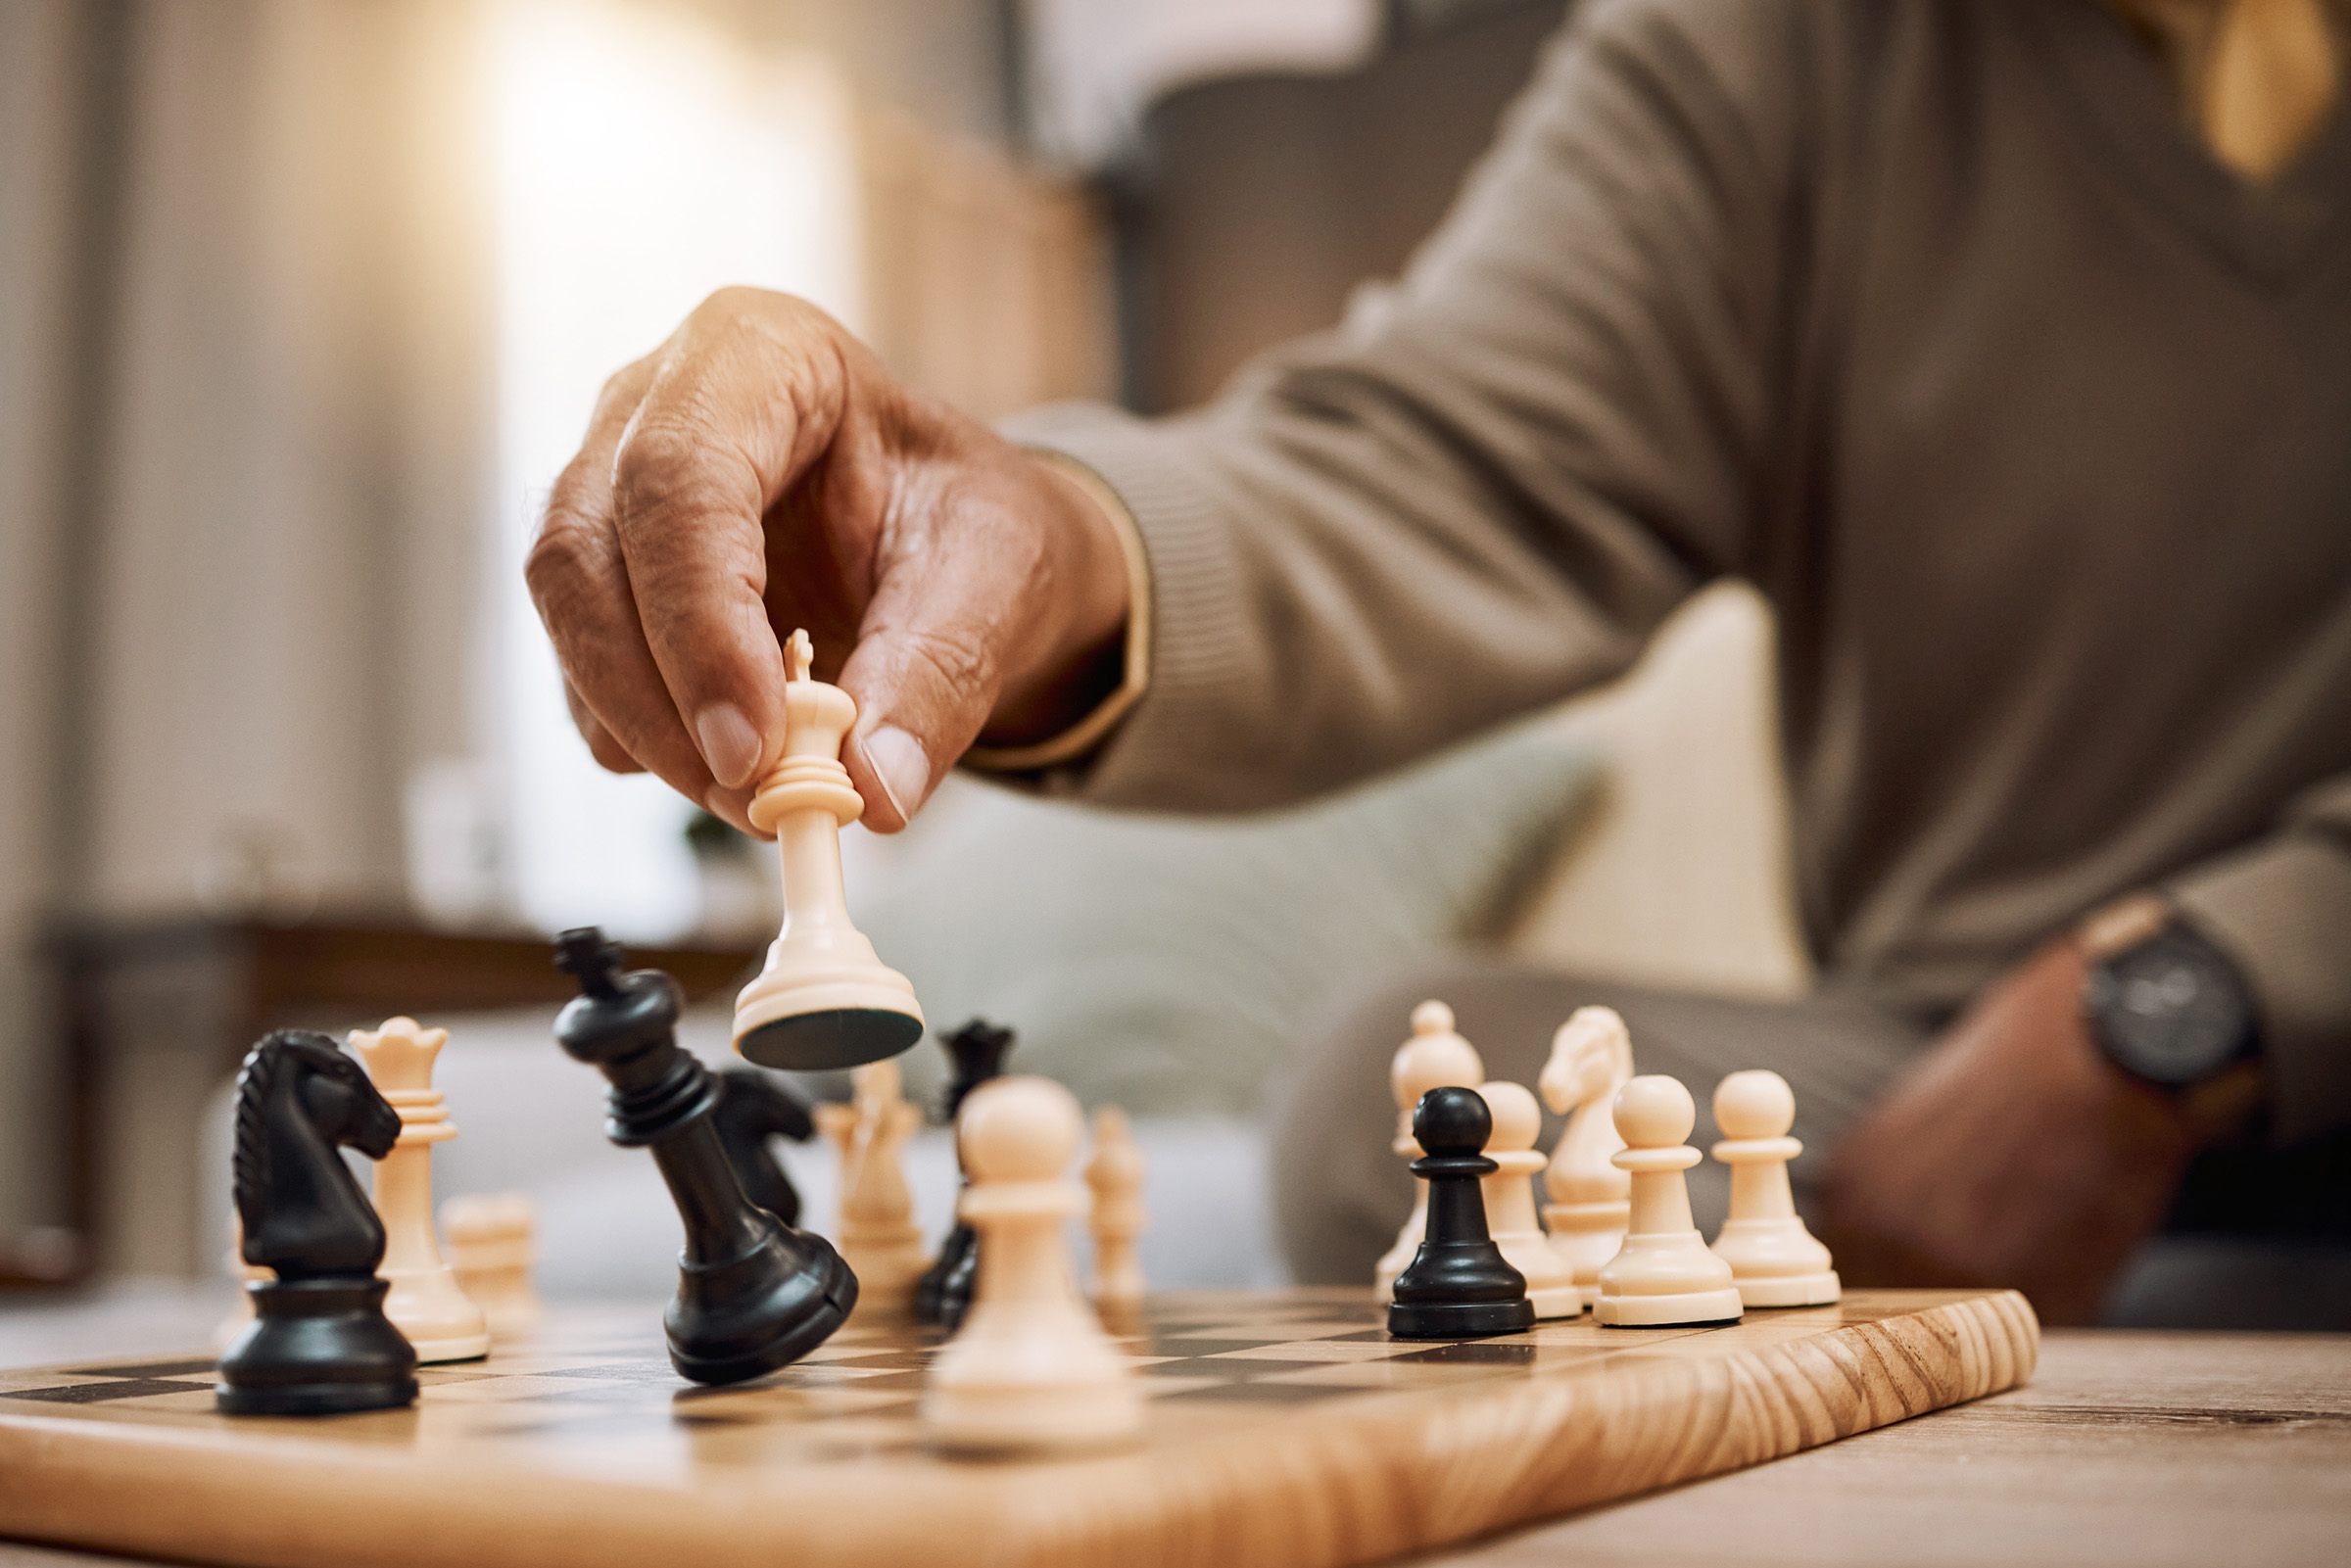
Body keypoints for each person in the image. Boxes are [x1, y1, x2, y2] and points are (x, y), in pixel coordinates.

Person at [526, 0, 2351, 1323]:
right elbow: (1430, 477)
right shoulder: (1777, 48)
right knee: (1393, 1107)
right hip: (1940, 1044)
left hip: (2234, 987)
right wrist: (1040, 530)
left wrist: (2195, 995)